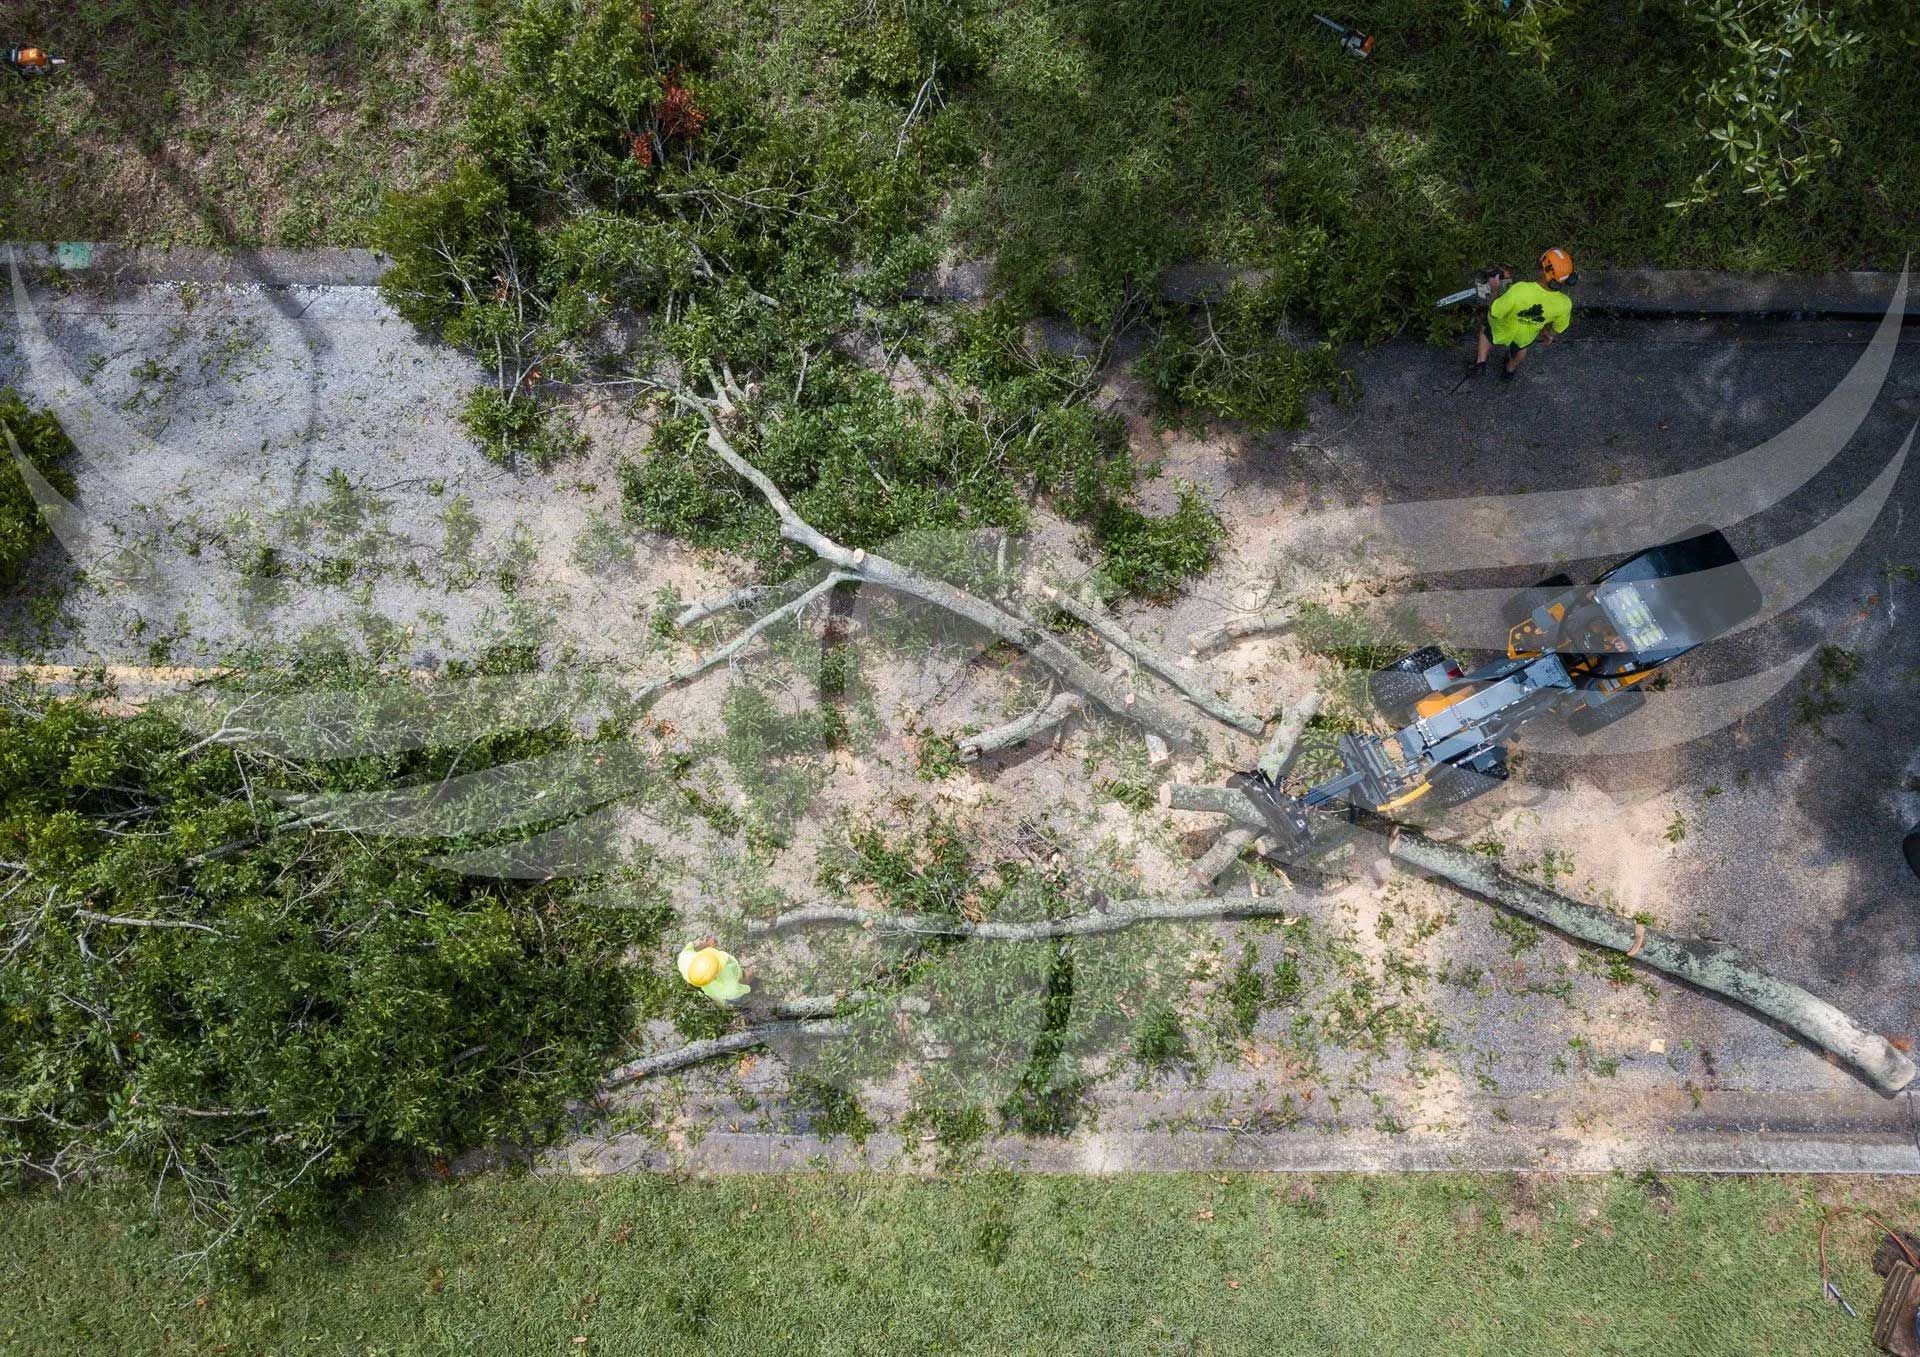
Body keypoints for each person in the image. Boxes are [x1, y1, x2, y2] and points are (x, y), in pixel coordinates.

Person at [1474, 247, 1576, 381]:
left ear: (1543, 270)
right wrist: (1549, 335)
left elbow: (1494, 311)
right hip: (1525, 335)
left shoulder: (1520, 290)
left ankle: (1481, 362)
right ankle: (1509, 371)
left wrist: (1494, 289)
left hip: (1501, 327)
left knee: (1485, 329)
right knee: (1521, 349)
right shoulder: (1565, 303)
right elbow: (1558, 327)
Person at [677, 936, 752, 1004]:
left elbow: (692, 948)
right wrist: (747, 979)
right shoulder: (731, 986)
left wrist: (706, 944)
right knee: (735, 998)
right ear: (716, 976)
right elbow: (738, 989)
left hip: (711, 990)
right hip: (729, 993)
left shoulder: (685, 960)